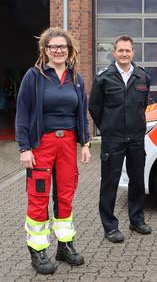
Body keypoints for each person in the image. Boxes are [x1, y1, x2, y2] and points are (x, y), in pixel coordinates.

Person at [16, 27, 90, 274]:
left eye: (63, 47)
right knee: (38, 196)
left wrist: (86, 143)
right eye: (53, 47)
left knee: (65, 195)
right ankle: (38, 251)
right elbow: (23, 113)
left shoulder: (76, 78)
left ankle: (65, 245)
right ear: (45, 50)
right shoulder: (34, 76)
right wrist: (25, 147)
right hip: (42, 145)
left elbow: (81, 112)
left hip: (68, 144)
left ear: (69, 50)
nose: (58, 51)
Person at [89, 35, 152, 243]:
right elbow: (95, 108)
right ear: (114, 52)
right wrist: (108, 128)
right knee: (110, 182)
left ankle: (137, 220)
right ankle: (110, 227)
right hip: (113, 139)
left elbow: (142, 105)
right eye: (120, 50)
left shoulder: (142, 77)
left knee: (137, 180)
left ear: (133, 52)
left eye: (128, 51)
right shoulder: (103, 78)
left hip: (135, 138)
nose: (124, 54)